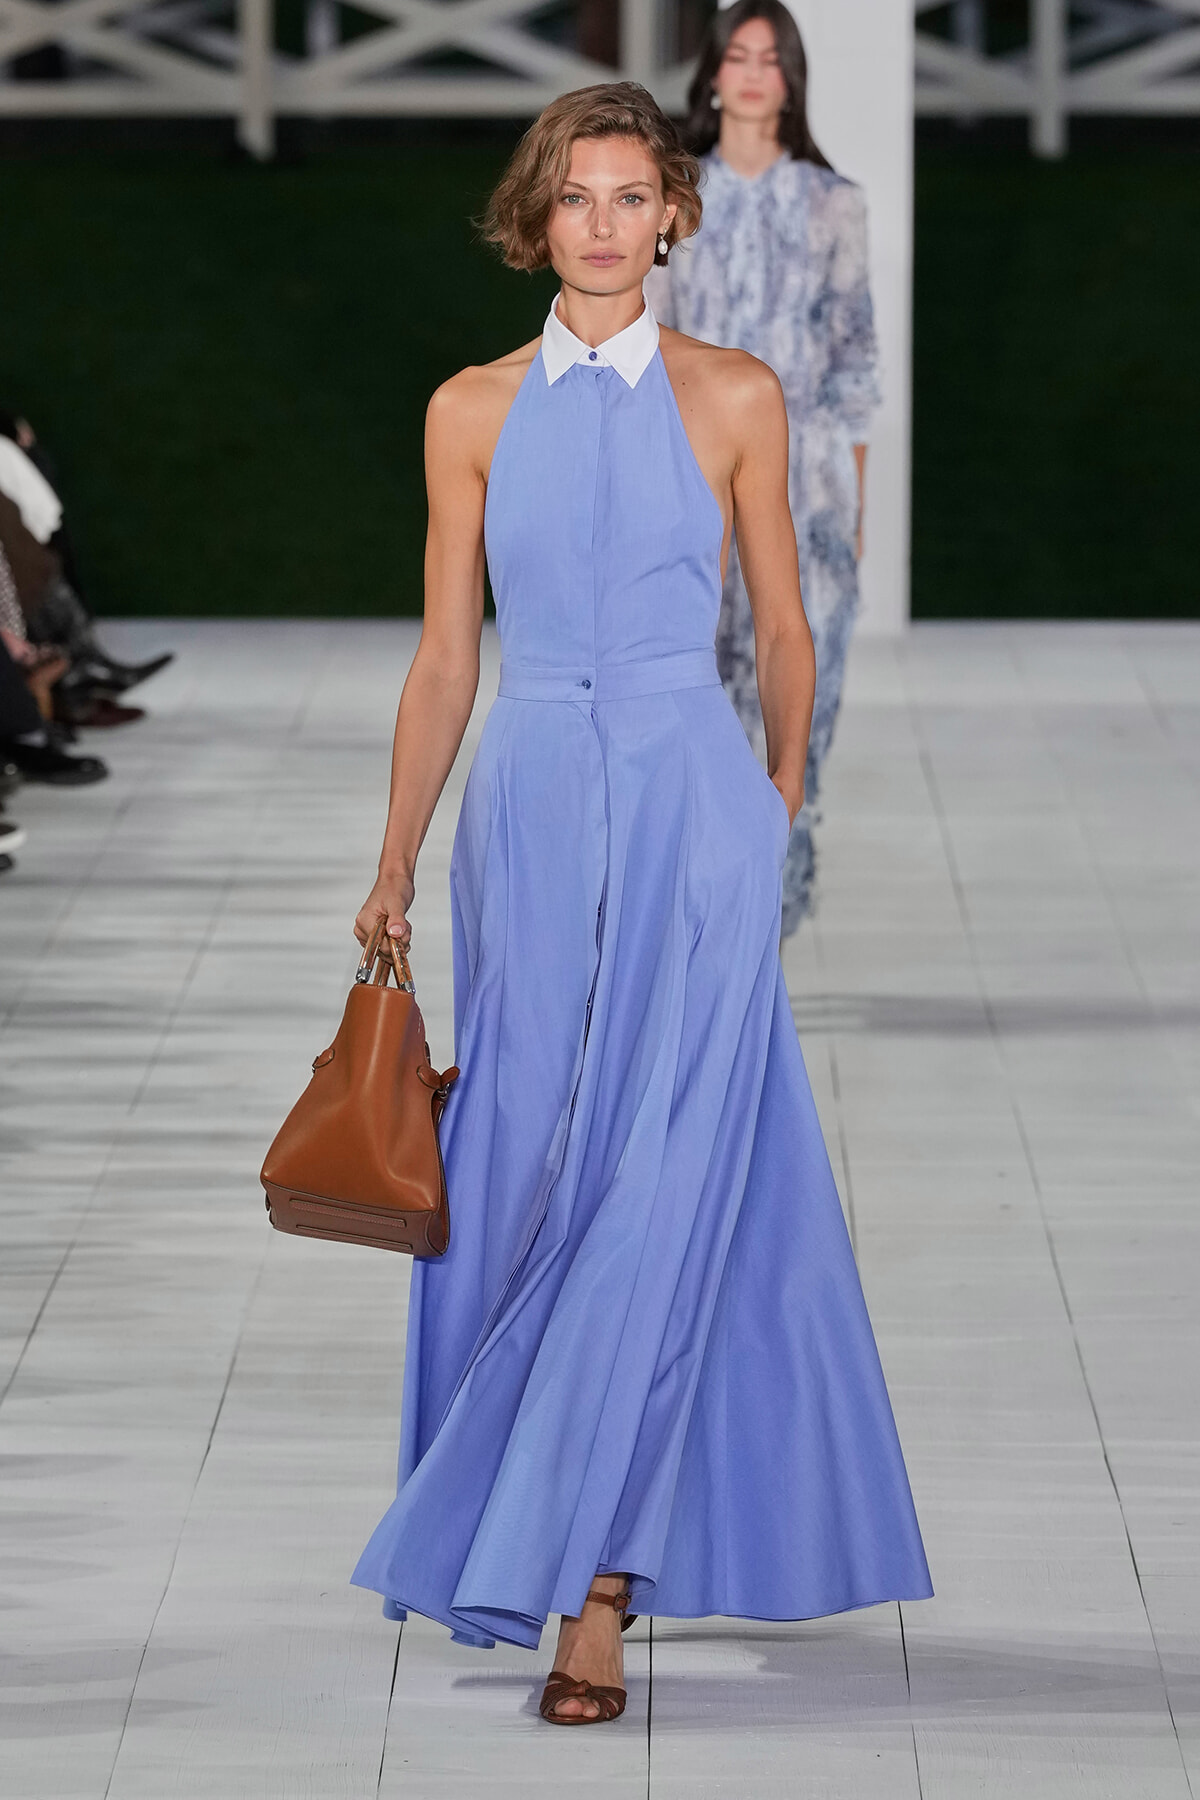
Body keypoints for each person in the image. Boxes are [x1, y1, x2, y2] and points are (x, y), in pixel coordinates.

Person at [350, 83, 930, 1727]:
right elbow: (449, 651)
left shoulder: (735, 395)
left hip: (692, 802)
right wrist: (394, 855)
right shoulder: (469, 409)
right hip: (526, 810)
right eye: (576, 198)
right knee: (535, 1159)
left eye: (631, 196)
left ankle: (594, 1590)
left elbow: (788, 614)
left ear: (671, 214)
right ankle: (542, 1521)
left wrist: (781, 797)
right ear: (537, 220)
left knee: (664, 1176)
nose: (604, 224)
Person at [644, 0, 879, 933]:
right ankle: (708, 915)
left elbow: (854, 356)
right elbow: (649, 339)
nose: (750, 73)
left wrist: (852, 502)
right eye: (736, 55)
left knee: (798, 709)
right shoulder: (673, 197)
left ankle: (770, 919)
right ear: (712, 72)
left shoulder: (836, 204)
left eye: (769, 58)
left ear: (791, 77)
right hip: (695, 481)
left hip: (810, 482)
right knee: (700, 699)